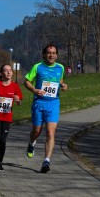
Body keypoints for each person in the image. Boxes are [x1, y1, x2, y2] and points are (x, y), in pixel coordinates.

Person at [24, 43, 68, 173]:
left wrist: (64, 86)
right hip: (39, 103)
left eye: (53, 53)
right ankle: (32, 143)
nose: (51, 55)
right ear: (44, 54)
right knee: (36, 131)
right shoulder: (37, 67)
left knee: (50, 132)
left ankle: (46, 161)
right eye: (49, 53)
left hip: (53, 103)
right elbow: (26, 81)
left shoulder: (60, 67)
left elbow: (59, 81)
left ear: (56, 55)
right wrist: (34, 90)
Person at [0, 64, 23, 171]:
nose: (8, 72)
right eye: (6, 70)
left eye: (10, 70)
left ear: (12, 73)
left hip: (7, 117)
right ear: (1, 74)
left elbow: (19, 102)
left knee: (3, 140)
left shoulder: (15, 86)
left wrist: (18, 100)